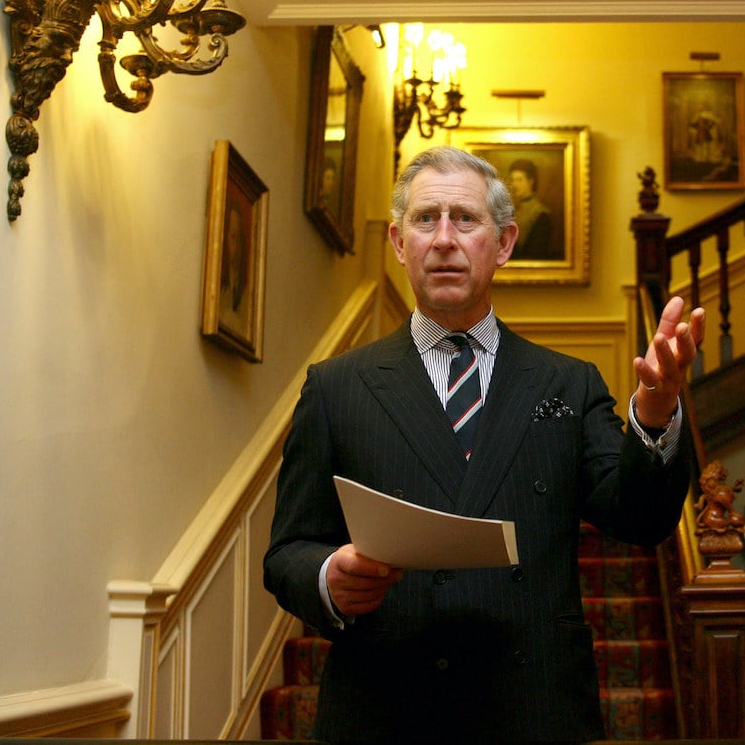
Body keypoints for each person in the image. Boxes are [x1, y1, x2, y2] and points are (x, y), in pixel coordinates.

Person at [264, 145, 705, 744]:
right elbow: (288, 548)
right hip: (386, 711)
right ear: (399, 243)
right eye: (426, 219)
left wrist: (654, 416)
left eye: (465, 219)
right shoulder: (337, 387)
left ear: (503, 244)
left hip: (533, 710)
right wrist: (325, 576)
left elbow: (641, 518)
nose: (444, 238)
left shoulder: (567, 383)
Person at [507, 157, 561, 260]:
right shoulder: (512, 210)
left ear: (531, 181)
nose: (514, 185)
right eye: (513, 180)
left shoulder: (541, 213)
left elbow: (536, 253)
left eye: (519, 180)